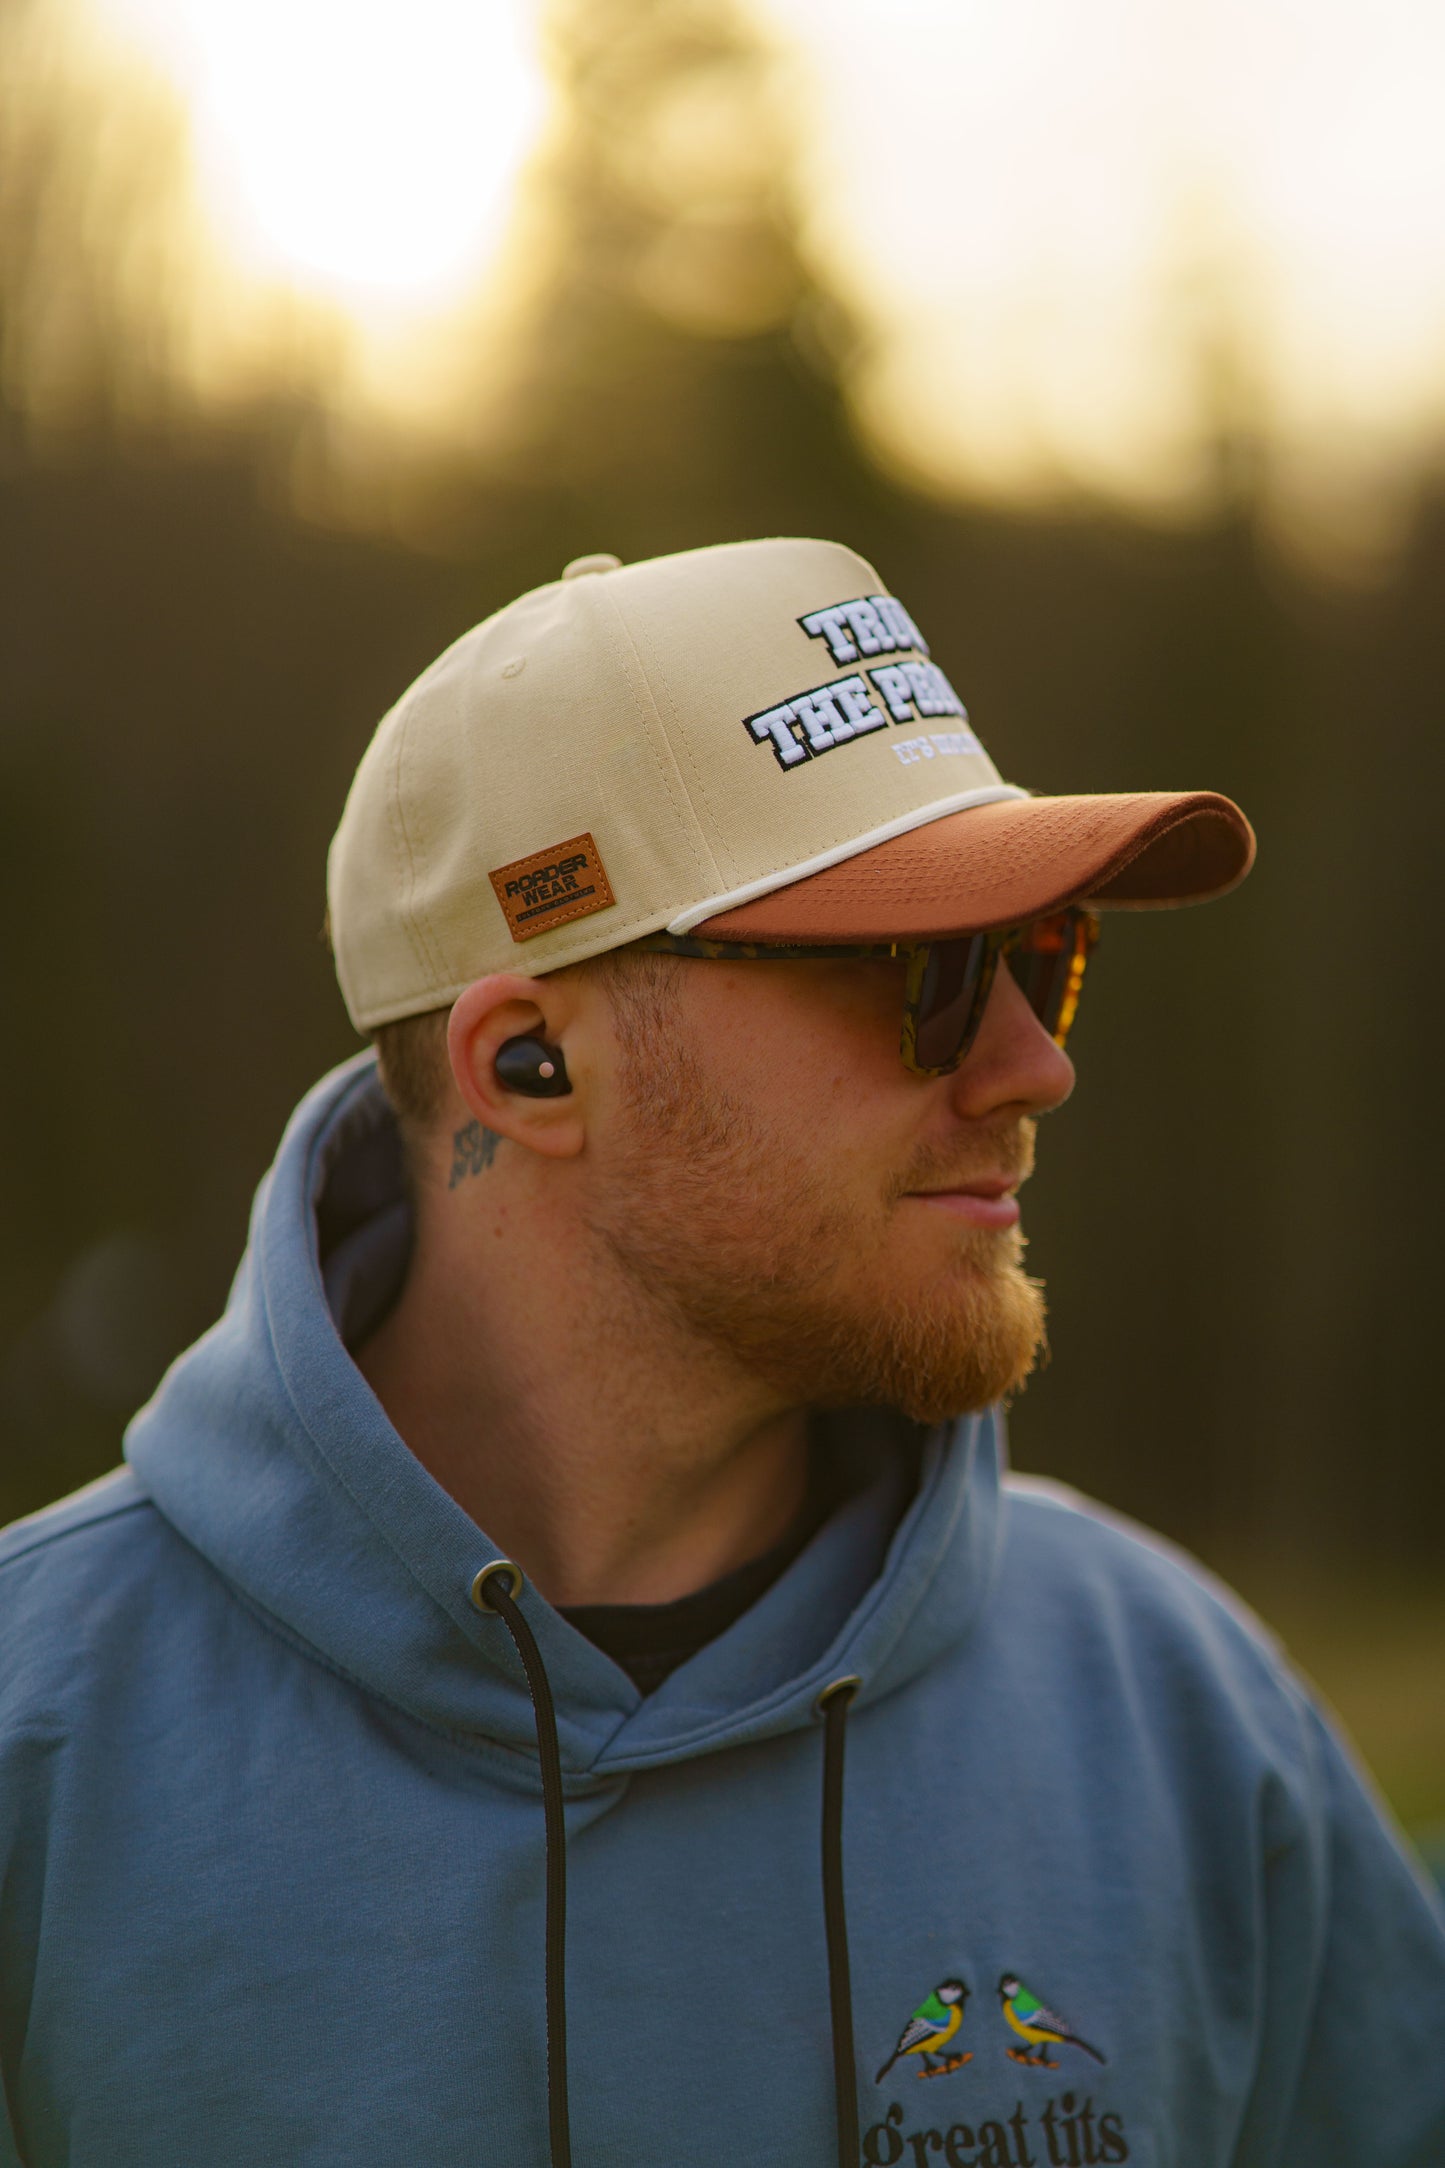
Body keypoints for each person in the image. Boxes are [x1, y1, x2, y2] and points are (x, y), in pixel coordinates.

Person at [1, 537, 1441, 2168]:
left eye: (1043, 959)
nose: (1033, 1068)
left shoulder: (1184, 1723)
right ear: (532, 1062)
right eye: (927, 970)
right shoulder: (38, 1750)